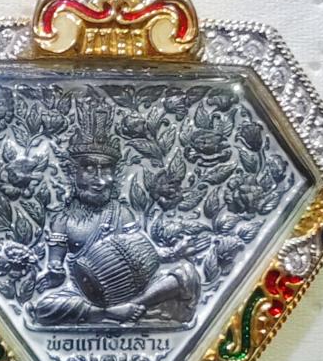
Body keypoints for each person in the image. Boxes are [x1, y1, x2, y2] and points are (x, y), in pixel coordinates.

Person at [30, 97, 200, 326]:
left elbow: (143, 252)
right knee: (45, 307)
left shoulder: (121, 212)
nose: (99, 180)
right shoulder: (63, 220)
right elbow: (56, 270)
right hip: (84, 292)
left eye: (105, 170)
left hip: (135, 287)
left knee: (187, 273)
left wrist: (171, 253)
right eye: (89, 169)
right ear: (72, 173)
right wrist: (52, 274)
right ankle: (109, 313)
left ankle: (130, 306)